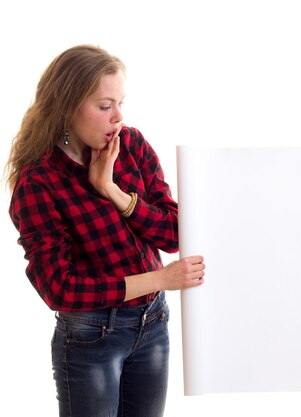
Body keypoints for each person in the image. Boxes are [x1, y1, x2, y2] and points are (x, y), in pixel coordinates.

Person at [5, 44, 205, 417]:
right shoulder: (39, 182)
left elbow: (175, 233)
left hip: (153, 324)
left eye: (120, 103)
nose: (118, 117)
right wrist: (160, 279)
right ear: (67, 106)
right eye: (104, 106)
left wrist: (113, 192)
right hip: (91, 335)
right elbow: (60, 289)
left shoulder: (130, 145)